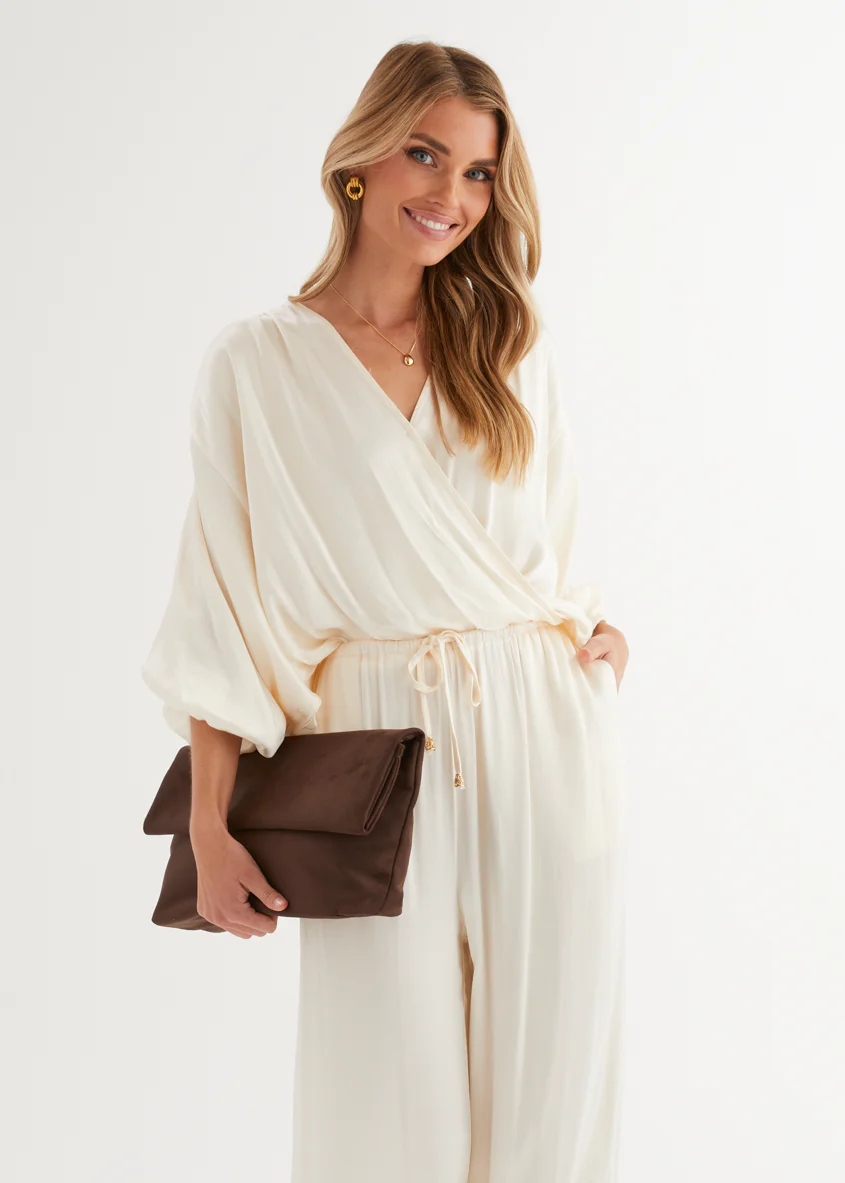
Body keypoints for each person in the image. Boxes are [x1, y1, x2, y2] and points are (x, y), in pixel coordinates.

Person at [141, 38, 631, 1183]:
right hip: (376, 745)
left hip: (543, 728)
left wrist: (591, 643)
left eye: (477, 173)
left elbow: (552, 553)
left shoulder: (509, 346)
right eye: (424, 154)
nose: (450, 194)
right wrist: (209, 824)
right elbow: (221, 607)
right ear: (359, 158)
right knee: (386, 1104)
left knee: (551, 1094)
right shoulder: (257, 365)